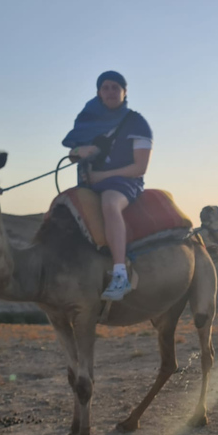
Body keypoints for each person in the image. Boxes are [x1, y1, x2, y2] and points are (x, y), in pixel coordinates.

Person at [62, 70, 153, 301]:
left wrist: (103, 176)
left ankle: (120, 273)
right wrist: (77, 151)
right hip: (87, 182)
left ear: (124, 92)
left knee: (110, 203)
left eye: (115, 87)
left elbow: (140, 167)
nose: (111, 92)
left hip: (124, 182)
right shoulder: (88, 120)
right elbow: (73, 155)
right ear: (99, 92)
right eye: (106, 87)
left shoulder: (137, 123)